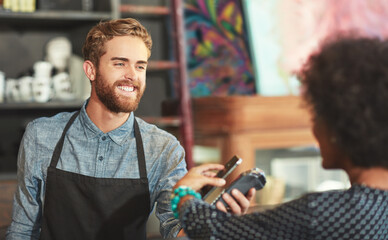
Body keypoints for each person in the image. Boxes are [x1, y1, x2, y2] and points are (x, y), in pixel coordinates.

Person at [6, 18, 254, 240]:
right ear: (91, 70)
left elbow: (174, 232)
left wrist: (212, 222)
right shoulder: (42, 135)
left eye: (140, 66)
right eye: (120, 63)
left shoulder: (163, 149)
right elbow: (22, 229)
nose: (132, 75)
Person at [172, 36, 388, 239]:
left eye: (318, 116)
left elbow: (211, 229)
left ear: (340, 128)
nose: (314, 129)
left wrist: (184, 195)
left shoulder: (324, 213)